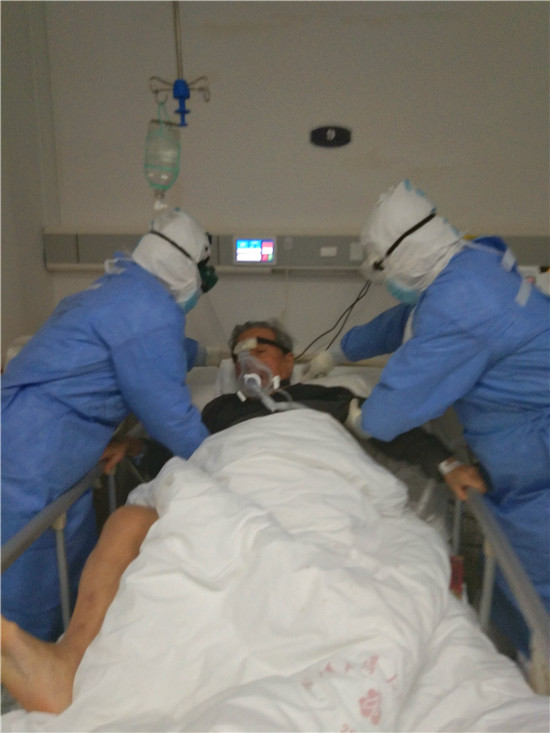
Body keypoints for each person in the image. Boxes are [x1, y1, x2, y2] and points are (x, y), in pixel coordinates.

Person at [0, 318, 486, 716]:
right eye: (238, 354)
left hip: (318, 490)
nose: (246, 359)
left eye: (260, 348)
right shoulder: (218, 411)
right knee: (127, 522)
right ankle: (69, 662)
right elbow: (178, 453)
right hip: (229, 483)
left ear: (289, 361)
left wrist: (447, 465)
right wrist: (134, 447)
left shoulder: (329, 398)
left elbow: (392, 431)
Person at [303, 180, 550, 647]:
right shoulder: (470, 264)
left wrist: (359, 417)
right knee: (517, 588)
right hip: (523, 449)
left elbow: (388, 416)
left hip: (538, 457)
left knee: (535, 594)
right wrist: (337, 353)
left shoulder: (461, 305)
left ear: (402, 261)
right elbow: (407, 320)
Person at [1, 207, 218, 642]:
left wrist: (205, 354)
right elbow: (171, 417)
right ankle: (21, 674)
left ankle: (61, 652)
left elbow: (148, 347)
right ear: (185, 271)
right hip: (31, 459)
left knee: (68, 566)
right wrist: (225, 461)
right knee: (28, 586)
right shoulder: (150, 309)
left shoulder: (118, 289)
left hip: (48, 449)